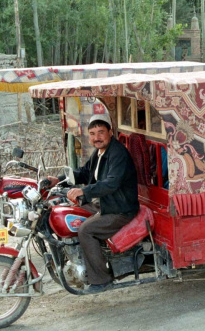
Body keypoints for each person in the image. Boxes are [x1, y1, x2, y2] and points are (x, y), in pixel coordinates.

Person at [48, 114, 140, 293]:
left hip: (120, 208)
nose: (96, 137)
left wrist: (84, 191)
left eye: (101, 132)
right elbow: (82, 173)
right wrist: (57, 180)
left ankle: (101, 280)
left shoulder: (117, 153)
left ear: (110, 133)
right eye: (92, 133)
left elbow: (112, 183)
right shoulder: (100, 153)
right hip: (104, 203)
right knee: (69, 214)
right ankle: (78, 262)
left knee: (86, 230)